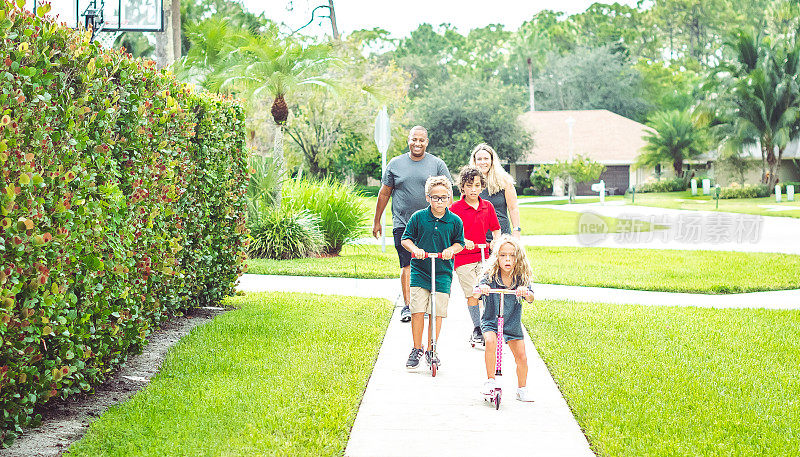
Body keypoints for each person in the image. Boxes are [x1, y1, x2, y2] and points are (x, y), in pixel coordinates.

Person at [373, 126, 451, 323]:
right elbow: (384, 193)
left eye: (421, 140)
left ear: (427, 141)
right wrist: (377, 221)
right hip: (403, 224)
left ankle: (426, 305)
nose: (417, 143)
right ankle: (408, 306)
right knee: (407, 264)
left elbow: (448, 196)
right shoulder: (395, 164)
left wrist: (447, 223)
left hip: (432, 224)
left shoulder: (437, 164)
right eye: (414, 139)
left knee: (428, 263)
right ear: (408, 140)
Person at [400, 175, 464, 369]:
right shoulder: (418, 217)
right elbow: (406, 239)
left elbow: (459, 243)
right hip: (421, 270)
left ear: (449, 198)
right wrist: (415, 250)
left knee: (436, 312)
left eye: (444, 197)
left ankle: (431, 349)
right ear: (428, 198)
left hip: (443, 271)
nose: (439, 201)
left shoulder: (454, 220)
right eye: (435, 197)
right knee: (418, 309)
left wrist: (450, 250)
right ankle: (417, 348)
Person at [473, 234, 535, 402]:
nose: (507, 259)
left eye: (512, 255)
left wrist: (525, 291)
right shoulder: (490, 274)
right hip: (492, 321)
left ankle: (522, 389)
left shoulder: (521, 276)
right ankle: (490, 381)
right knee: (491, 342)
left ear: (518, 257)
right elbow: (476, 291)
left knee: (521, 356)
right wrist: (482, 288)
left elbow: (531, 297)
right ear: (497, 257)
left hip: (511, 322)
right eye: (503, 255)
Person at [449, 165, 501, 347]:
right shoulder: (455, 208)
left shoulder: (488, 206)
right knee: (473, 293)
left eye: (477, 185)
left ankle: (488, 325)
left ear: (482, 186)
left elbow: (495, 229)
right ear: (462, 187)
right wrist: (463, 240)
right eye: (469, 185)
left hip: (483, 256)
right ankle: (477, 328)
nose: (473, 189)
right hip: (463, 258)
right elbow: (451, 232)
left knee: (486, 291)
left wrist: (495, 241)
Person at [469, 143, 522, 241]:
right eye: (479, 159)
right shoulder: (468, 183)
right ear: (475, 161)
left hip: (501, 236)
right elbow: (463, 209)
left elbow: (513, 208)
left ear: (492, 160)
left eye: (486, 158)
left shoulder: (505, 181)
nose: (483, 162)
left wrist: (516, 231)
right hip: (477, 237)